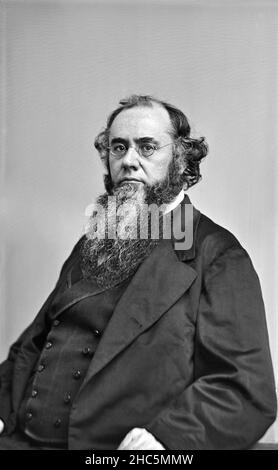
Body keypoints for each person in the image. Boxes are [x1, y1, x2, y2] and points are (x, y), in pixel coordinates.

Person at [0, 95, 276, 450]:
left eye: (147, 147)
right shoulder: (92, 242)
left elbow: (244, 387)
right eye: (119, 147)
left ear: (180, 159)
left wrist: (167, 440)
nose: (129, 161)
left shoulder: (217, 255)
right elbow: (32, 345)